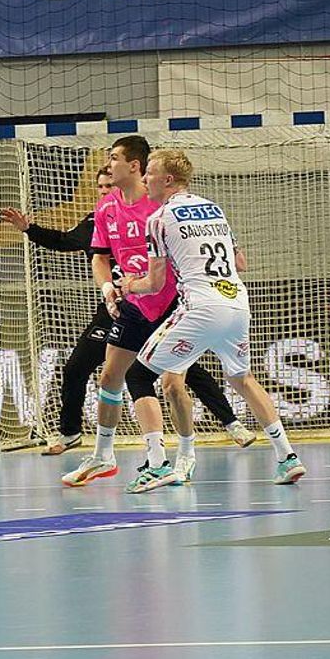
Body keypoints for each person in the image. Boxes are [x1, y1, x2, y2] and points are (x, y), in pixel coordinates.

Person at [0, 168, 256, 459]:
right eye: (100, 186)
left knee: (183, 372)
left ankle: (231, 424)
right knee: (78, 368)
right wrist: (29, 229)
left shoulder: (154, 213)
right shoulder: (98, 219)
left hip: (159, 303)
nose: (105, 190)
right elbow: (64, 241)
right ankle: (73, 435)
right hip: (119, 306)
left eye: (109, 184)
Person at [123, 149, 306, 484]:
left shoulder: (158, 219)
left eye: (150, 172)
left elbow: (155, 284)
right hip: (236, 304)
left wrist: (129, 285)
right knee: (241, 379)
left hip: (200, 308)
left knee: (138, 376)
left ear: (167, 179)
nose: (145, 178)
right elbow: (240, 263)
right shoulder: (214, 209)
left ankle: (157, 464)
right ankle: (287, 456)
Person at [59, 135, 189, 493]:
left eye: (114, 158)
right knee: (110, 377)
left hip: (170, 303)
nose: (109, 164)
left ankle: (182, 455)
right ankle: (104, 455)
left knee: (172, 385)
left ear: (134, 165)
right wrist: (107, 290)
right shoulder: (106, 207)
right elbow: (100, 257)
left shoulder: (159, 205)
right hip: (133, 302)